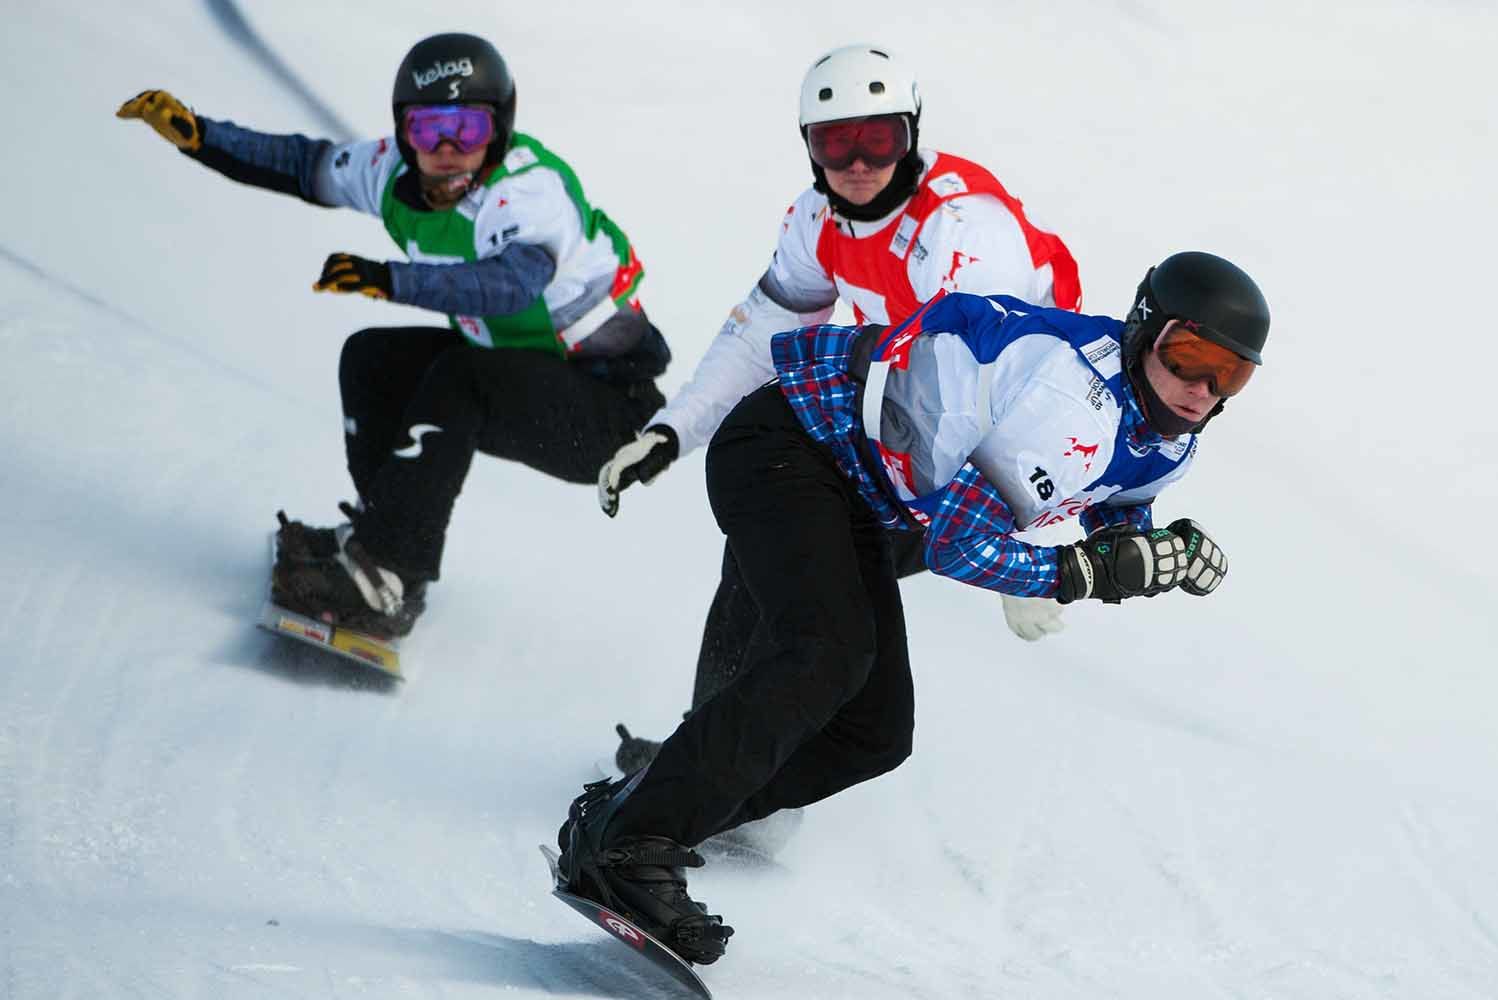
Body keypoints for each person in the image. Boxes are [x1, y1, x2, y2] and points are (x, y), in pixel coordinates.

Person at [557, 251, 1271, 964]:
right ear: (1146, 332)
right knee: (825, 654)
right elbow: (958, 547)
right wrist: (1083, 572)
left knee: (873, 733)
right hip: (788, 445)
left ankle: (642, 810)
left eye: (1228, 373)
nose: (1201, 386)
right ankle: (630, 844)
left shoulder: (1165, 440)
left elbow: (1118, 505)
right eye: (1188, 354)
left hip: (861, 495)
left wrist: (1151, 554)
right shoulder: (1061, 395)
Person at [597, 44, 1083, 777]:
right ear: (809, 148)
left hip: (999, 447)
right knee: (770, 557)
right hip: (908, 417)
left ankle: (725, 775)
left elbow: (1012, 400)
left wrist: (1018, 557)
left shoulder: (963, 235)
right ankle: (712, 763)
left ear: (910, 133)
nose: (858, 161)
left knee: (800, 574)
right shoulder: (817, 218)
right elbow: (764, 331)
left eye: (878, 138)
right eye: (835, 141)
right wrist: (671, 433)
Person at [117, 33, 667, 638]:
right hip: (524, 367)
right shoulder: (389, 172)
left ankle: (388, 574)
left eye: (470, 129)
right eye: (430, 130)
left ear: (501, 130)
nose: (450, 150)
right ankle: (379, 537)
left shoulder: (527, 192)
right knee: (373, 359)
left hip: (611, 418)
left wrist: (391, 279)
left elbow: (509, 286)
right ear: (404, 134)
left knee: (461, 379)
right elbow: (308, 165)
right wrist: (203, 137)